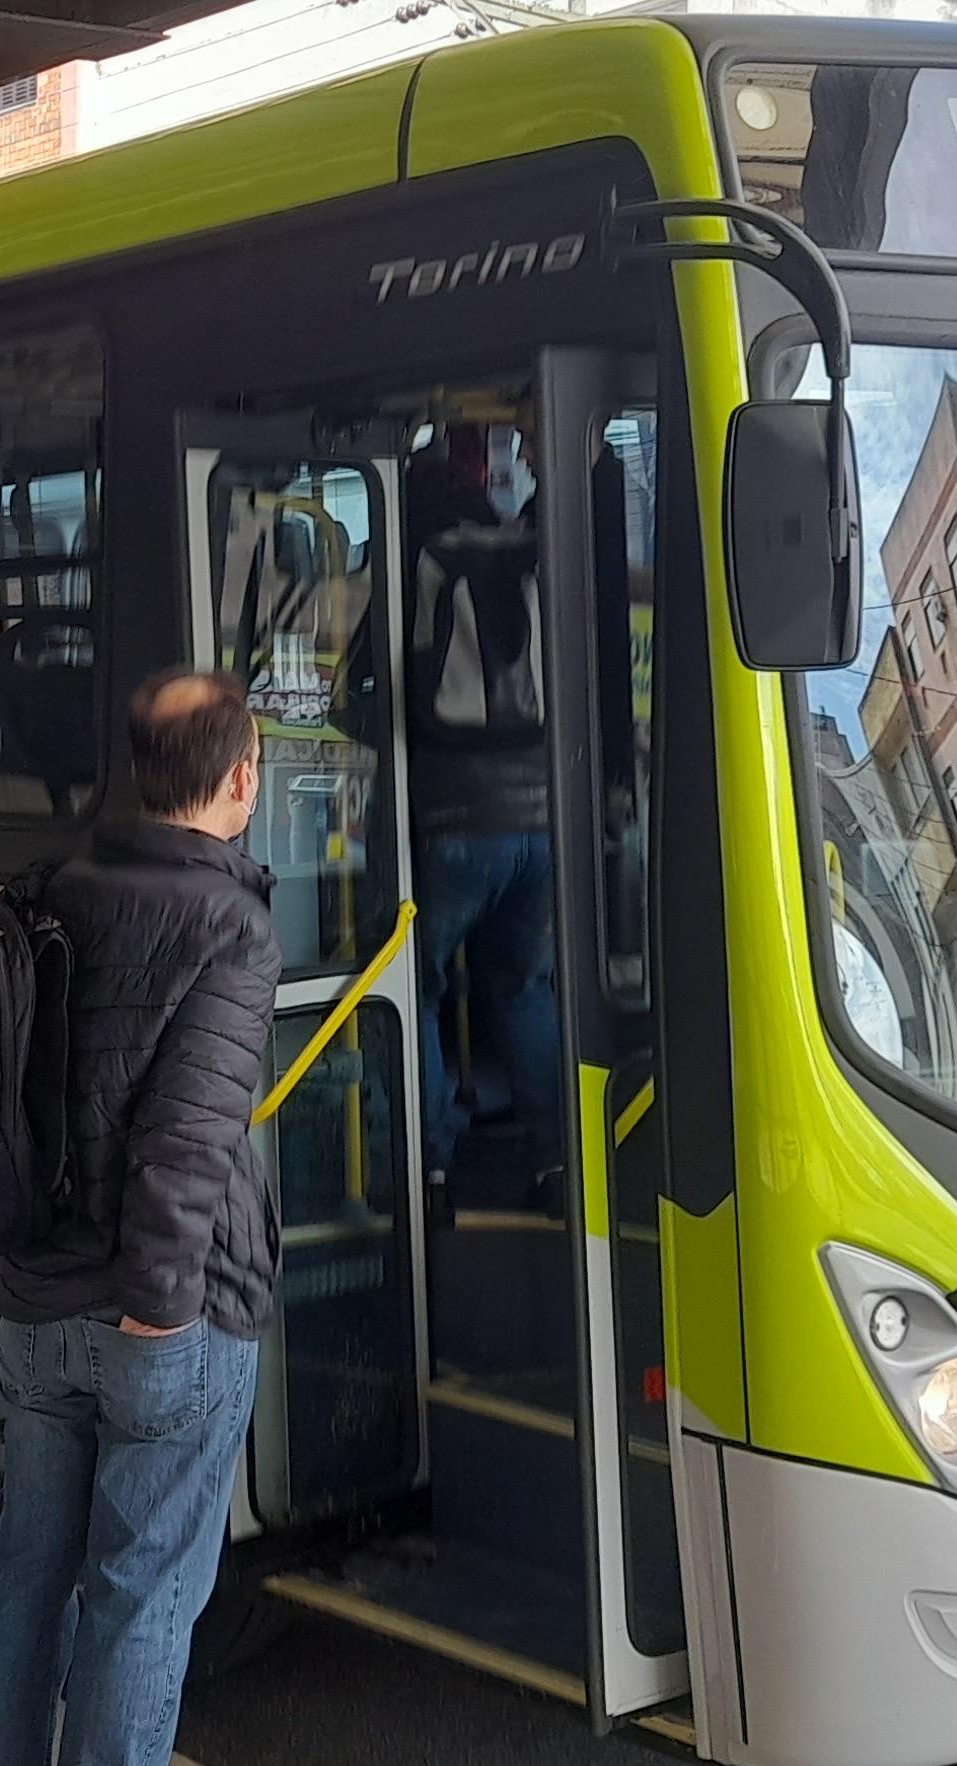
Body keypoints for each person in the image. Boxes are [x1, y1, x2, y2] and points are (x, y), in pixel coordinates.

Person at [0, 668, 281, 1766]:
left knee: (23, 1574)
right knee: (139, 1599)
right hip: (161, 1319)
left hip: (36, 1306)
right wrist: (158, 1316)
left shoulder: (53, 886)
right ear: (241, 777)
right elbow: (184, 1149)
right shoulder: (230, 925)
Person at [404, 421, 563, 1211]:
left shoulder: (420, 555)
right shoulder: (520, 545)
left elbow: (380, 675)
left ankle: (430, 1167)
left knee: (417, 991)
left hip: (456, 813)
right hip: (540, 810)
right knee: (526, 989)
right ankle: (556, 1164)